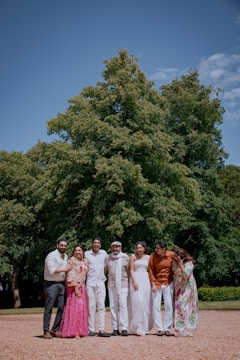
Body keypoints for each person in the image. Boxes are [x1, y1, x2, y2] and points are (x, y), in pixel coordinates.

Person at [43, 238, 71, 339]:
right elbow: (51, 271)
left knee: (61, 307)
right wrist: (66, 269)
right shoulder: (51, 256)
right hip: (51, 284)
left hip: (61, 284)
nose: (63, 247)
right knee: (49, 308)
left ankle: (54, 329)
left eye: (65, 245)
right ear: (57, 245)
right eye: (61, 245)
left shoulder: (66, 256)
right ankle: (46, 331)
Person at [59, 244, 89, 337]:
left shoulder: (85, 261)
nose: (77, 252)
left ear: (83, 252)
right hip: (73, 287)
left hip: (82, 286)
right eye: (76, 250)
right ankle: (73, 331)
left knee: (81, 308)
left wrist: (81, 286)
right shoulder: (71, 261)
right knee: (74, 308)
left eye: (79, 250)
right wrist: (76, 288)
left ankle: (80, 330)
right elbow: (70, 276)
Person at [84, 237, 110, 337]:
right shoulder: (86, 254)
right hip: (90, 283)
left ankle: (101, 329)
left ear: (100, 245)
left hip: (100, 282)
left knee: (101, 306)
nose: (96, 244)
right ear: (92, 244)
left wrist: (102, 274)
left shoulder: (104, 253)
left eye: (98, 243)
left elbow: (106, 266)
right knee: (91, 307)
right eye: (94, 242)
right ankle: (91, 329)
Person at [148, 239, 175, 336]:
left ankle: (167, 328)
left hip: (168, 283)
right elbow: (150, 271)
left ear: (164, 249)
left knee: (169, 306)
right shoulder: (153, 256)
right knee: (156, 306)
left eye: (158, 248)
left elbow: (178, 264)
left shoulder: (171, 255)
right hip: (157, 283)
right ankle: (159, 328)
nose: (156, 250)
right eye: (155, 248)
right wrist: (153, 284)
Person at [172, 247, 199, 337]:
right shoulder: (174, 263)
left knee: (187, 307)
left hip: (188, 287)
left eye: (176, 256)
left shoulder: (189, 264)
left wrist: (180, 265)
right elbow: (176, 274)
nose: (174, 258)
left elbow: (186, 275)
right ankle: (180, 329)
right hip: (179, 287)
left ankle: (189, 329)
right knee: (179, 306)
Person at [128, 241, 154, 336]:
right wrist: (134, 281)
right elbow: (131, 270)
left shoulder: (148, 257)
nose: (139, 249)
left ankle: (144, 326)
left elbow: (151, 270)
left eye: (140, 248)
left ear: (144, 248)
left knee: (145, 303)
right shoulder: (133, 256)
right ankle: (137, 326)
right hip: (136, 278)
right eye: (137, 248)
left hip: (145, 280)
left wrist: (152, 283)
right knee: (138, 301)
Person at [107, 241, 129, 336]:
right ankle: (115, 328)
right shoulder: (108, 258)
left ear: (121, 247)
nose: (115, 249)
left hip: (123, 284)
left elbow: (129, 271)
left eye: (117, 247)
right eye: (114, 247)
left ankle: (124, 328)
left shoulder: (126, 257)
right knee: (113, 306)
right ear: (111, 248)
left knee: (123, 305)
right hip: (111, 285)